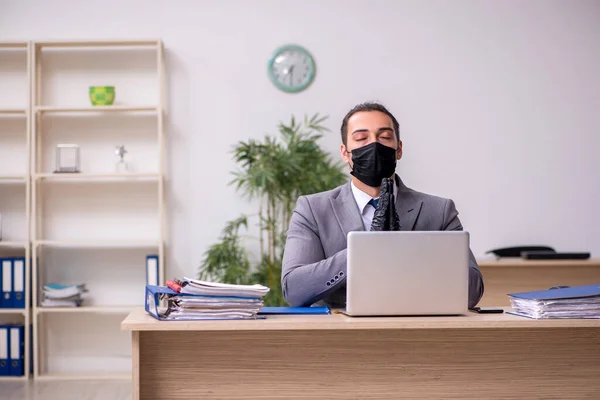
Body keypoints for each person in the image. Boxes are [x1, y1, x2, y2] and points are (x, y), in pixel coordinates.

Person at [281, 102, 484, 309]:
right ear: (345, 153)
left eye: (385, 137)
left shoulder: (439, 210)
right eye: (361, 138)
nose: (374, 145)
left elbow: (473, 291)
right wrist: (364, 250)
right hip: (340, 335)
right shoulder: (313, 209)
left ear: (399, 149)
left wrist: (407, 249)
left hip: (416, 331)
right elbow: (295, 289)